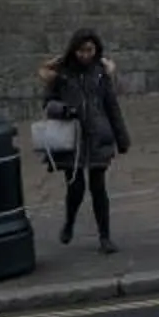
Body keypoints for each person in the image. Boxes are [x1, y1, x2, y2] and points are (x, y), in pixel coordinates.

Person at [37, 28, 131, 253]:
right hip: (73, 138)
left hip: (98, 136)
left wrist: (122, 138)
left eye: (90, 50)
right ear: (74, 50)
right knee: (76, 188)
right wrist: (65, 110)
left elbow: (111, 106)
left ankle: (105, 237)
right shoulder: (62, 74)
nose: (85, 55)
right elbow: (48, 103)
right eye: (81, 50)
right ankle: (69, 223)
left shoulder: (100, 73)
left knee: (99, 188)